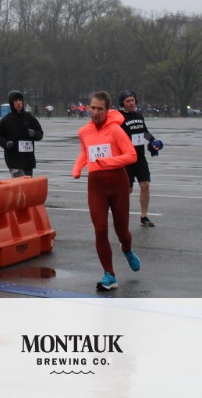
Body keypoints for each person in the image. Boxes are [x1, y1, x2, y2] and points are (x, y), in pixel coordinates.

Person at [72, 91, 141, 291]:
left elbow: (132, 155)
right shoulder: (84, 132)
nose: (95, 112)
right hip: (96, 186)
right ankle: (109, 274)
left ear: (107, 110)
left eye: (99, 109)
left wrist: (109, 162)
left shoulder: (116, 130)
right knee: (100, 230)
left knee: (122, 231)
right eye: (92, 107)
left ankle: (127, 249)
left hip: (118, 183)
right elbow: (85, 152)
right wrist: (77, 167)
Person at [118, 90, 163, 228]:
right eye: (128, 101)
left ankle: (144, 216)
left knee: (145, 185)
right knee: (128, 189)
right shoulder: (119, 117)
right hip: (126, 158)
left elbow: (144, 132)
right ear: (123, 103)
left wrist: (153, 141)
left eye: (132, 100)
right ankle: (120, 215)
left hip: (140, 157)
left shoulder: (139, 115)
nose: (131, 103)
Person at [0, 90, 44, 177]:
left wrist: (34, 134)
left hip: (28, 160)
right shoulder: (6, 120)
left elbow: (40, 134)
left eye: (20, 100)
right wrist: (6, 143)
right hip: (13, 160)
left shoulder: (29, 118)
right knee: (22, 182)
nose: (18, 102)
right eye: (15, 100)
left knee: (27, 184)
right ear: (11, 103)